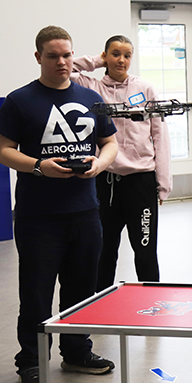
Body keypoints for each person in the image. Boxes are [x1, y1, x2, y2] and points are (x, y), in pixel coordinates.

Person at [0, 26, 118, 383]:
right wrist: (37, 165)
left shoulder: (89, 98)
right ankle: (30, 361)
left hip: (85, 211)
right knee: (36, 292)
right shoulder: (20, 100)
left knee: (82, 288)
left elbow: (109, 142)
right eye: (53, 56)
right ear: (38, 58)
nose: (62, 62)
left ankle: (77, 351)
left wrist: (100, 163)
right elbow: (3, 151)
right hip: (38, 216)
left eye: (66, 55)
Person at [70, 35, 172, 291]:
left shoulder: (145, 89)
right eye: (115, 54)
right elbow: (69, 68)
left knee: (145, 247)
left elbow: (160, 136)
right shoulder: (92, 87)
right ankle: (99, 300)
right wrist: (95, 60)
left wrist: (163, 183)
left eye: (127, 55)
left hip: (141, 182)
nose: (121, 60)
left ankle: (152, 300)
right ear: (105, 57)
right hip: (105, 181)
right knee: (104, 248)